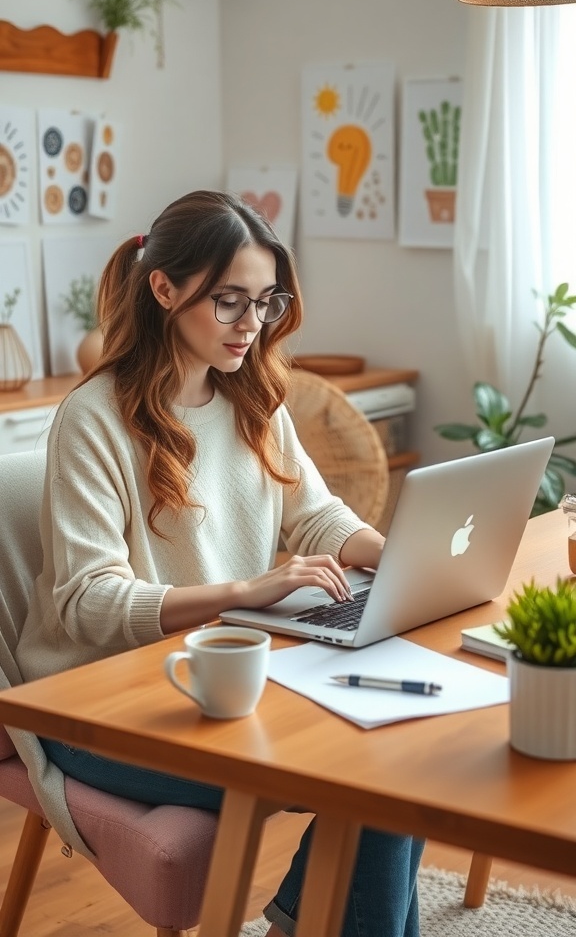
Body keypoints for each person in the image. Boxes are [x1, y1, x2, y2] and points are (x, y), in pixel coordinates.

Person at [15, 190, 423, 937]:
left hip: (217, 672)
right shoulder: (93, 420)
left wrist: (406, 558)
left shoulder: (254, 397)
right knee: (377, 785)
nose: (252, 326)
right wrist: (246, 590)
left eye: (266, 303)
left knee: (395, 761)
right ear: (164, 289)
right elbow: (86, 599)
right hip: (94, 706)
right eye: (229, 303)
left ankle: (302, 923)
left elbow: (318, 516)